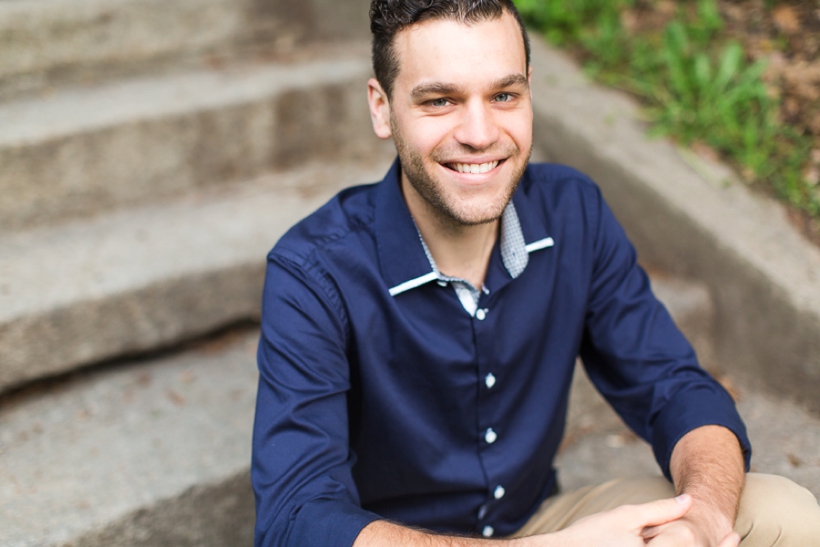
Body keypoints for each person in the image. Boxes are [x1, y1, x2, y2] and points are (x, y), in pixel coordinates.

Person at [251, 1, 820, 546]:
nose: (479, 132)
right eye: (440, 101)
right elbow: (296, 518)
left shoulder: (574, 212)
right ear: (382, 108)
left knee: (782, 516)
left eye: (503, 94)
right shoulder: (313, 272)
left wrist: (705, 518)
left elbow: (674, 387)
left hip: (541, 522)